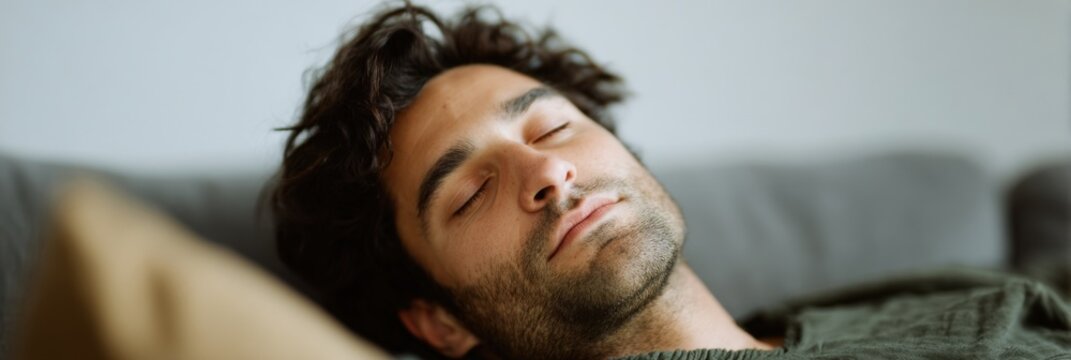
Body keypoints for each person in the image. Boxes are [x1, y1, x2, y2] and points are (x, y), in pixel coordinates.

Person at [268, 2, 1071, 359]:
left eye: (551, 127)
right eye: (469, 191)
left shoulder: (913, 302)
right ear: (439, 324)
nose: (549, 170)